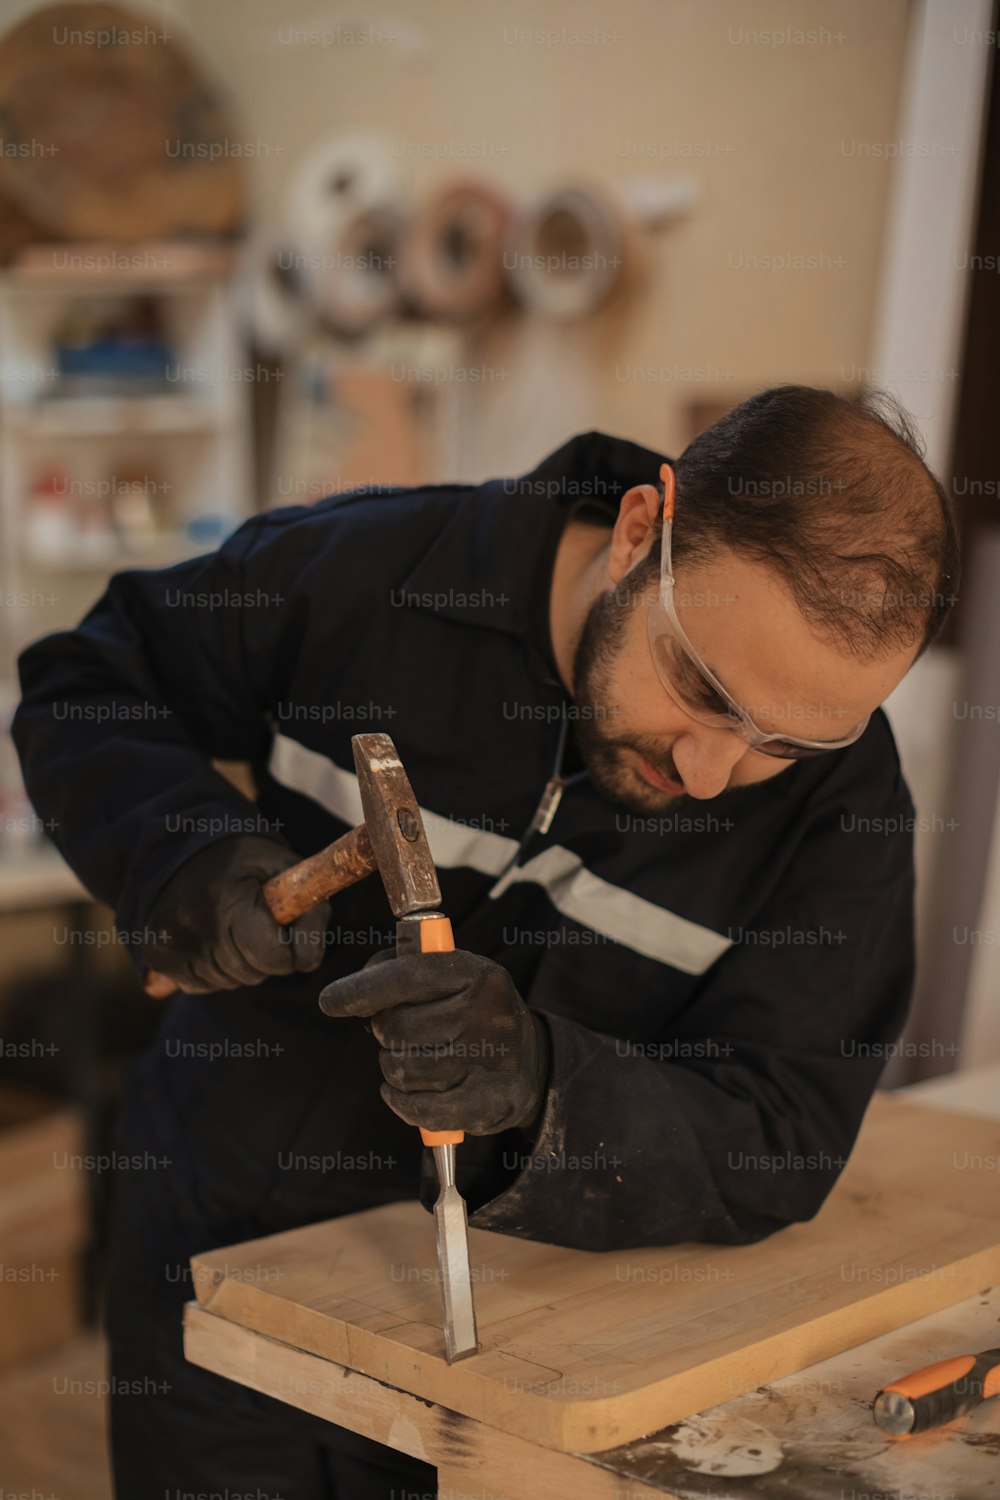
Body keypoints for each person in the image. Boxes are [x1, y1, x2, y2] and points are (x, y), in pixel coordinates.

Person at [13, 385, 958, 1498]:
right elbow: (85, 685)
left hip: (532, 1332)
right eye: (699, 687)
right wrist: (177, 853)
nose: (710, 773)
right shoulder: (367, 572)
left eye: (782, 743)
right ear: (641, 535)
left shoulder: (843, 804)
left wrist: (548, 1084)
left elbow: (785, 1126)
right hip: (221, 1243)